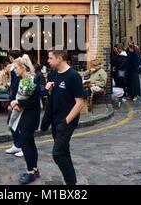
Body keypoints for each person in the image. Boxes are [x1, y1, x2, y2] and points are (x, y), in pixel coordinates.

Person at [41, 49, 85, 185]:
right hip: (55, 119)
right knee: (64, 151)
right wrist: (47, 90)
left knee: (58, 153)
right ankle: (71, 182)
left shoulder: (73, 76)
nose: (48, 61)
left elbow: (80, 103)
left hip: (66, 121)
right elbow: (53, 99)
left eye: (50, 58)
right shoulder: (53, 75)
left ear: (59, 58)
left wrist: (66, 121)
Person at [9, 55, 41, 184]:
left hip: (30, 116)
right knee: (30, 143)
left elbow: (33, 101)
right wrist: (15, 103)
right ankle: (34, 169)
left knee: (25, 143)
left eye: (16, 68)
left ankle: (30, 173)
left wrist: (18, 103)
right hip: (25, 115)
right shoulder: (23, 79)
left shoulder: (31, 80)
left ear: (22, 68)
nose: (14, 70)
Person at [5, 50, 23, 157]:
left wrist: (11, 102)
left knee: (16, 124)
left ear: (11, 58)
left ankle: (21, 146)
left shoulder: (17, 68)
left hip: (18, 100)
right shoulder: (14, 69)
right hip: (15, 99)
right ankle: (17, 144)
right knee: (12, 122)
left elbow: (15, 87)